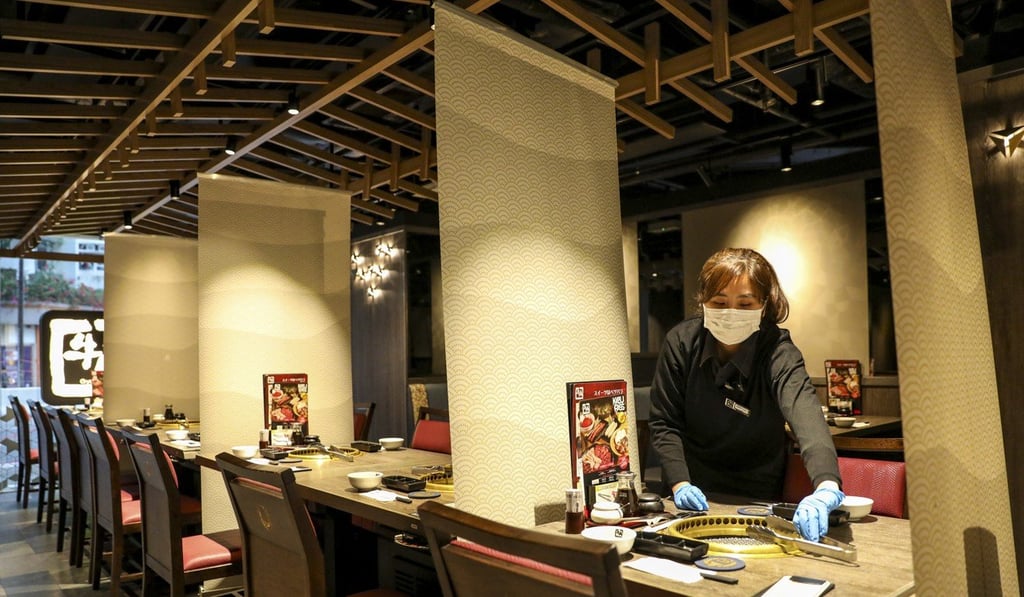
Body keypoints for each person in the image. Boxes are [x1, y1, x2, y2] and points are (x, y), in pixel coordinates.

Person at [648, 248, 844, 542]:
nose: (731, 313)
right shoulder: (681, 343)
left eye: (745, 303)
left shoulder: (779, 351)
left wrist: (827, 486)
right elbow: (665, 423)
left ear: (764, 305)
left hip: (757, 492)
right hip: (690, 490)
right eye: (719, 302)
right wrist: (679, 484)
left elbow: (808, 418)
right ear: (703, 302)